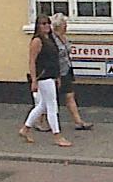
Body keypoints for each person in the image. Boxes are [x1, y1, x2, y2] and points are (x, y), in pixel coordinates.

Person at [18, 14, 72, 147]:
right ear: (38, 26)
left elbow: (55, 59)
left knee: (42, 105)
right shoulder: (37, 41)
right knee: (52, 106)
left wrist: (57, 76)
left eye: (48, 23)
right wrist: (34, 80)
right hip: (43, 76)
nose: (46, 26)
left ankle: (25, 128)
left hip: (51, 75)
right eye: (43, 24)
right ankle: (57, 136)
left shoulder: (51, 39)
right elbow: (32, 61)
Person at [51, 14, 93, 132]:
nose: (66, 26)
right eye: (64, 24)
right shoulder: (51, 39)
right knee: (49, 99)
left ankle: (78, 121)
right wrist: (56, 75)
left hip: (66, 70)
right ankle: (38, 120)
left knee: (70, 95)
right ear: (58, 26)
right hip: (56, 73)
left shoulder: (64, 37)